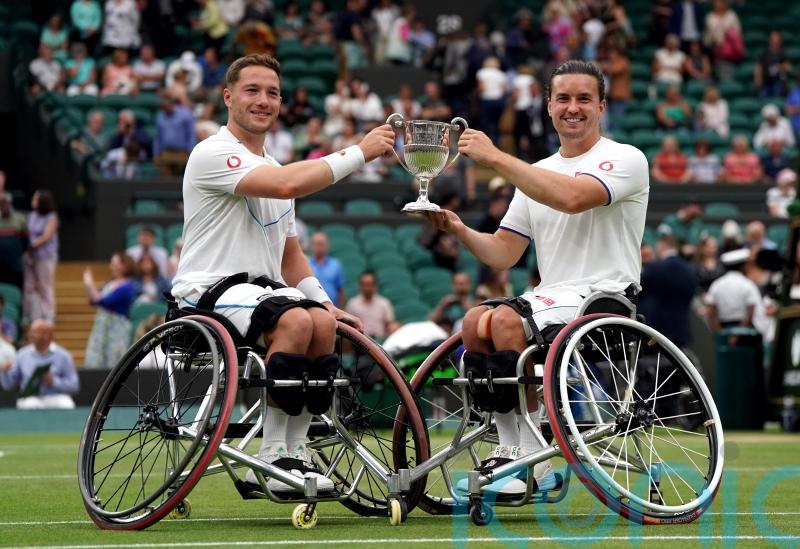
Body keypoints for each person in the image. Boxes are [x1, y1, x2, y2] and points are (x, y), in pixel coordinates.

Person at [422, 60, 649, 497]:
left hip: (605, 297)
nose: (573, 108)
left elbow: (571, 197)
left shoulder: (625, 158)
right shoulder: (535, 173)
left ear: (602, 106)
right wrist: (459, 229)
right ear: (548, 106)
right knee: (473, 322)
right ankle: (514, 452)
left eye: (584, 98)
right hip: (552, 298)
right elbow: (504, 253)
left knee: (504, 321)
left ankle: (530, 462)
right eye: (563, 98)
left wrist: (494, 157)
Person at [170, 54, 393, 492]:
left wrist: (325, 301)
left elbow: (291, 255)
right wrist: (359, 152)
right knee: (293, 318)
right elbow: (289, 185)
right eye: (252, 90)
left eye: (272, 92)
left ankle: (295, 451)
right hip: (204, 294)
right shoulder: (211, 152)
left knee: (321, 320)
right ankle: (272, 456)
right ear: (228, 96)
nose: (263, 100)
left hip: (260, 295)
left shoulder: (274, 167)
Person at [0, 319, 79, 409]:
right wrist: (4, 372)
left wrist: (53, 381)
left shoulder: (64, 356)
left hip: (56, 396)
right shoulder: (22, 354)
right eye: (31, 331)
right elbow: (9, 385)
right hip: (30, 398)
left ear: (48, 335)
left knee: (66, 404)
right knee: (29, 404)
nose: (31, 335)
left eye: (36, 332)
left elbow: (74, 386)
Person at [638, 234, 698, 348]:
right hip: (682, 330)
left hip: (657, 333)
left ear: (661, 246)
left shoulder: (655, 268)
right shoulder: (690, 270)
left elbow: (638, 292)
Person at [83, 252, 139, 369]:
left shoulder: (128, 286)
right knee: (96, 358)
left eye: (115, 263)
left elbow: (105, 301)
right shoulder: (110, 282)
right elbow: (93, 301)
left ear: (125, 265)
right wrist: (89, 286)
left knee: (113, 359)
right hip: (101, 327)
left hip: (116, 328)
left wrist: (89, 283)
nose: (111, 266)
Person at [23, 190, 59, 324]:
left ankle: (49, 315)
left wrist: (31, 244)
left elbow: (46, 236)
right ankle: (28, 315)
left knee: (45, 286)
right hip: (30, 256)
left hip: (45, 257)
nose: (33, 200)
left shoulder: (51, 216)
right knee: (29, 286)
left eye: (35, 199)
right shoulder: (31, 215)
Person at [705, 248, 761, 331]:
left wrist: (719, 332)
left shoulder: (716, 285)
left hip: (722, 329)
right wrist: (737, 334)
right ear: (743, 266)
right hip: (744, 332)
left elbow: (711, 312)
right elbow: (751, 314)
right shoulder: (748, 285)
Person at [344, 271, 399, 340]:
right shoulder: (352, 304)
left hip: (380, 342)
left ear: (375, 286)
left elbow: (390, 323)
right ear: (359, 286)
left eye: (369, 284)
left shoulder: (384, 303)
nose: (367, 288)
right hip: (359, 342)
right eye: (364, 284)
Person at [308, 231, 345, 307]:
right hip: (310, 307)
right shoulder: (306, 263)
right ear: (312, 246)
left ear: (327, 245)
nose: (319, 247)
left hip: (332, 307)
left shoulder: (336, 265)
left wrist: (341, 308)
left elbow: (340, 289)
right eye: (317, 244)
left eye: (322, 244)